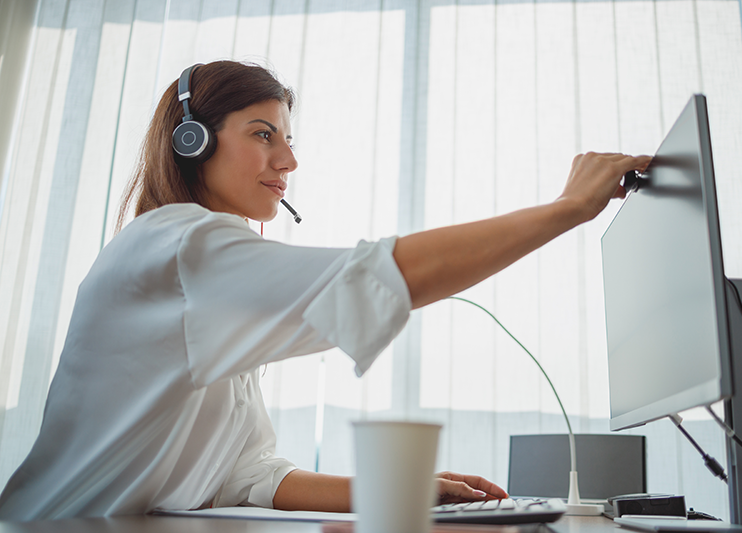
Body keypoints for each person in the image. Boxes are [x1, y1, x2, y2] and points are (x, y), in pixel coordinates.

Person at [0, 60, 650, 521]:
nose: (288, 160)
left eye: (289, 138)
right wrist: (567, 208)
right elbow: (371, 278)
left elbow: (246, 475)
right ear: (192, 140)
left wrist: (407, 487)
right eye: (263, 133)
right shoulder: (180, 245)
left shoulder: (205, 274)